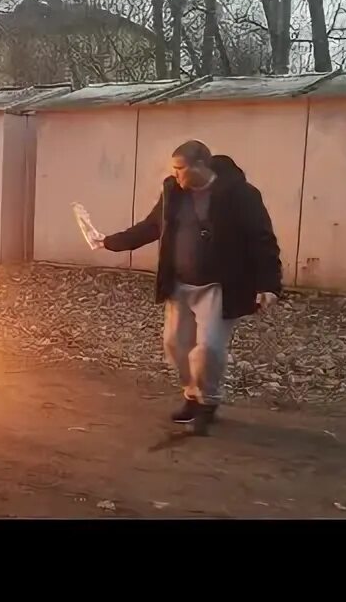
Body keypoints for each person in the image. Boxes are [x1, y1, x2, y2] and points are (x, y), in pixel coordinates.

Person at [100, 140, 281, 435]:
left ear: (200, 166)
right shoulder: (173, 193)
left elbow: (262, 239)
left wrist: (269, 284)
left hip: (219, 287)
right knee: (174, 344)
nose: (175, 174)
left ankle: (208, 402)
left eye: (180, 168)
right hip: (180, 284)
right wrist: (109, 242)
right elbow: (151, 226)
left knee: (209, 348)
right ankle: (192, 395)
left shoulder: (241, 195)